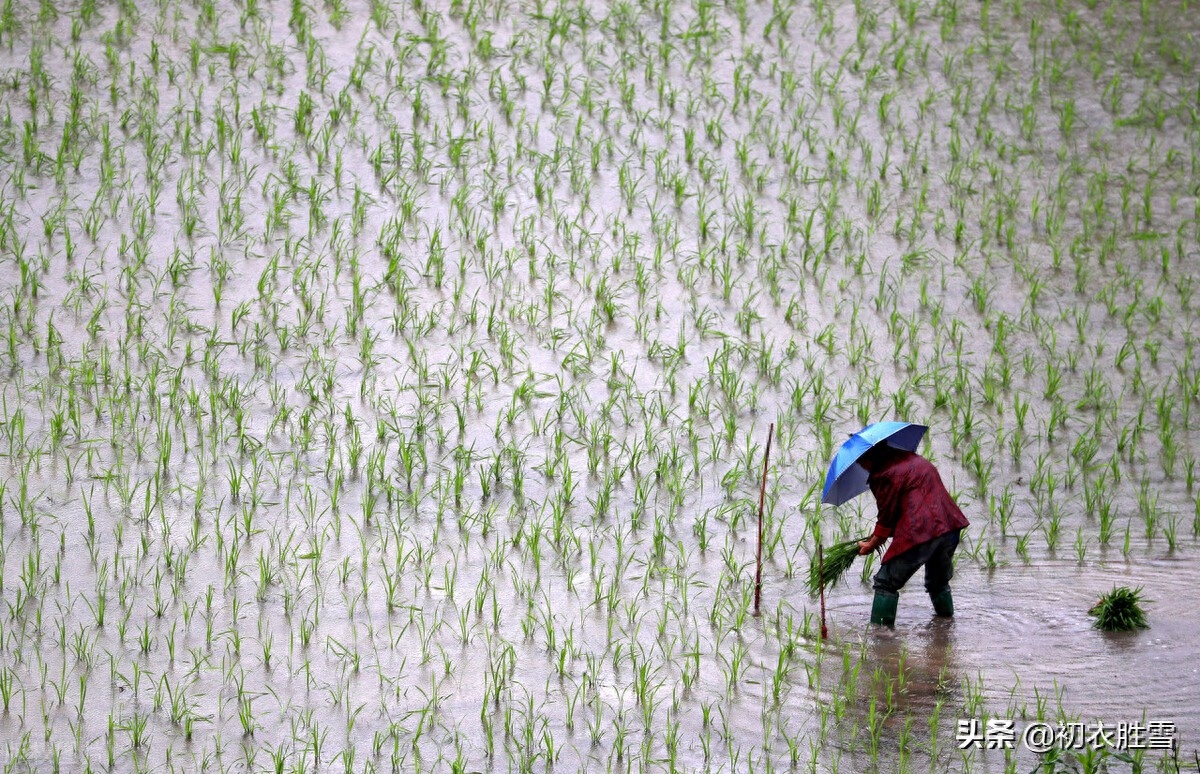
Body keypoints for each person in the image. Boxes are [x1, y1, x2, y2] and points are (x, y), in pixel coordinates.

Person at [854, 442, 969, 626]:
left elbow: (886, 519)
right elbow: (909, 505)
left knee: (885, 582)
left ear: (871, 457)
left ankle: (881, 638)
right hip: (949, 526)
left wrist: (870, 545)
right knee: (938, 582)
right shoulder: (915, 460)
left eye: (861, 462)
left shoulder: (884, 475)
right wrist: (877, 537)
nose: (862, 466)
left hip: (921, 532)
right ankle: (946, 627)